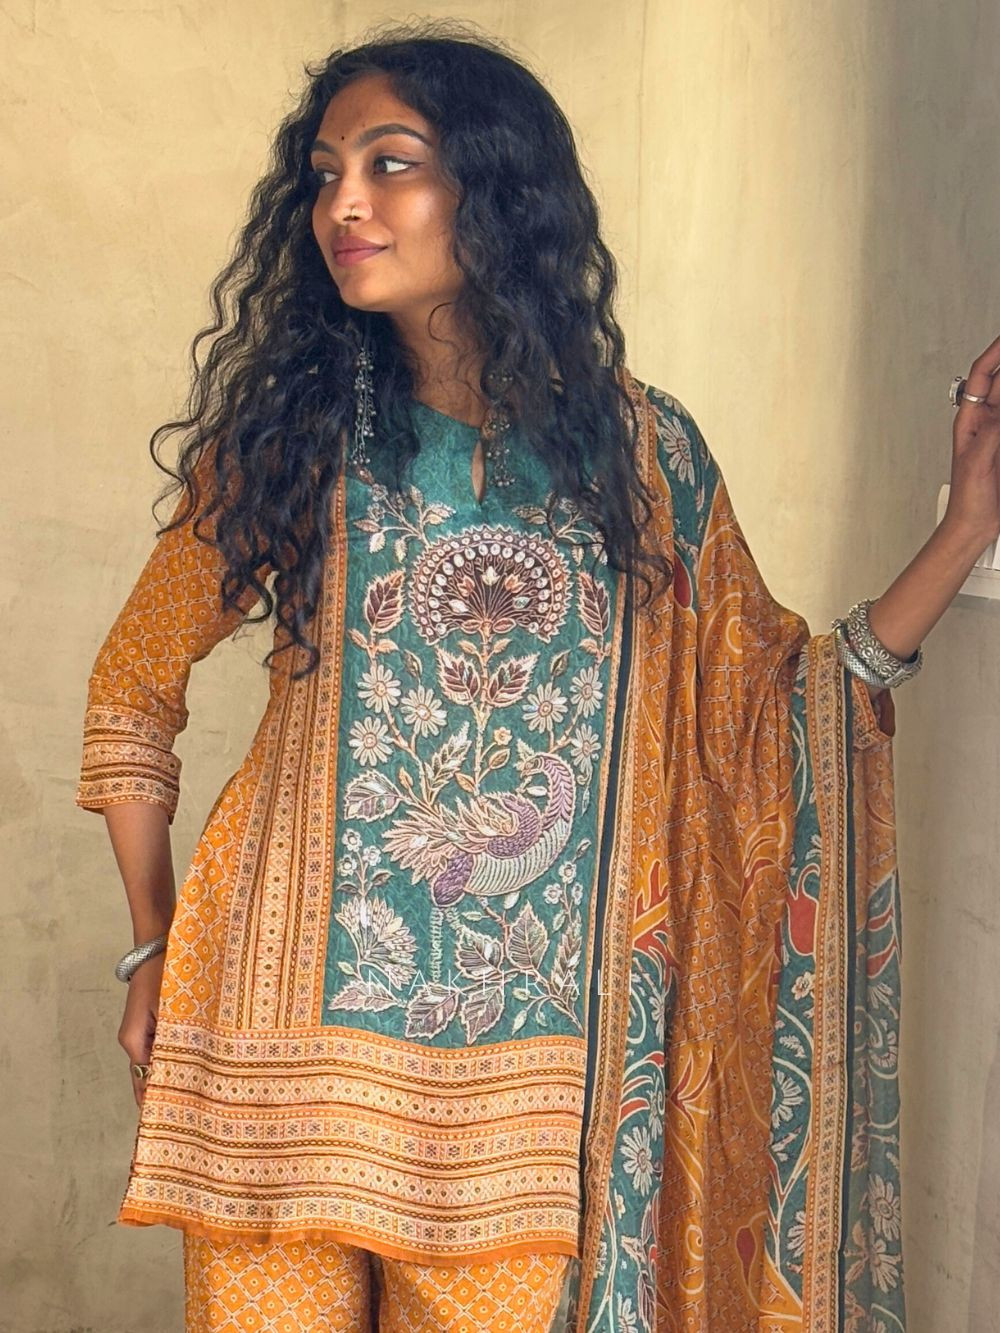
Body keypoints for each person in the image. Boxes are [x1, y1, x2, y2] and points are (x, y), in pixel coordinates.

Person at [75, 20, 1000, 1333]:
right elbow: (132, 685)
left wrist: (965, 532)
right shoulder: (289, 441)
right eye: (326, 174)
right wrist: (151, 945)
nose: (345, 204)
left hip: (520, 1095)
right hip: (266, 1046)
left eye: (391, 163)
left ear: (496, 189)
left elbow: (775, 706)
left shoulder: (644, 456)